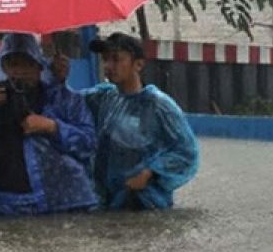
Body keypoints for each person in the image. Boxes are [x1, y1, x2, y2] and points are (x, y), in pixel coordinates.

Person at [53, 32, 198, 210]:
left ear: (138, 64)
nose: (108, 66)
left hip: (144, 200)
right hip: (106, 199)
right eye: (105, 59)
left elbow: (186, 151)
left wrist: (149, 173)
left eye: (116, 59)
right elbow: (68, 106)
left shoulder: (159, 105)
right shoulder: (103, 97)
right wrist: (60, 80)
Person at [0, 33, 98, 217]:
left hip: (61, 203)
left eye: (27, 63)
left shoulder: (64, 100)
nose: (20, 71)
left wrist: (52, 127)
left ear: (39, 66)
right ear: (3, 67)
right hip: (1, 205)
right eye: (13, 64)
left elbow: (89, 145)